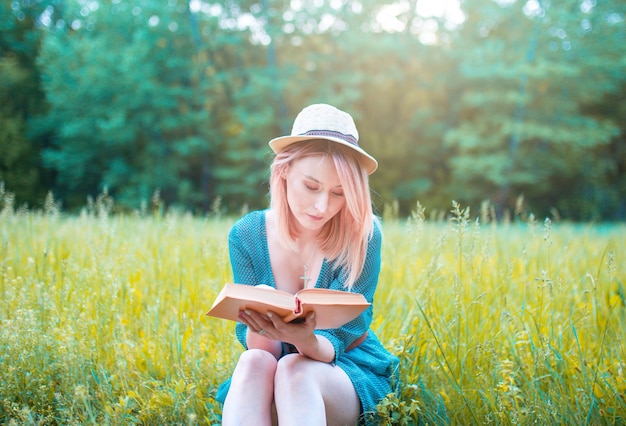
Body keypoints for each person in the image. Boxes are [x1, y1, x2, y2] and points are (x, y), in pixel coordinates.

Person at [216, 103, 398, 425]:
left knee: (294, 370)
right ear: (283, 171)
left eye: (339, 194)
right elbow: (261, 352)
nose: (322, 206)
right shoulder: (246, 234)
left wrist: (304, 339)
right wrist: (260, 317)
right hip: (271, 366)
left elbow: (342, 337)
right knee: (253, 363)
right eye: (311, 186)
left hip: (342, 367)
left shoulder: (363, 236)